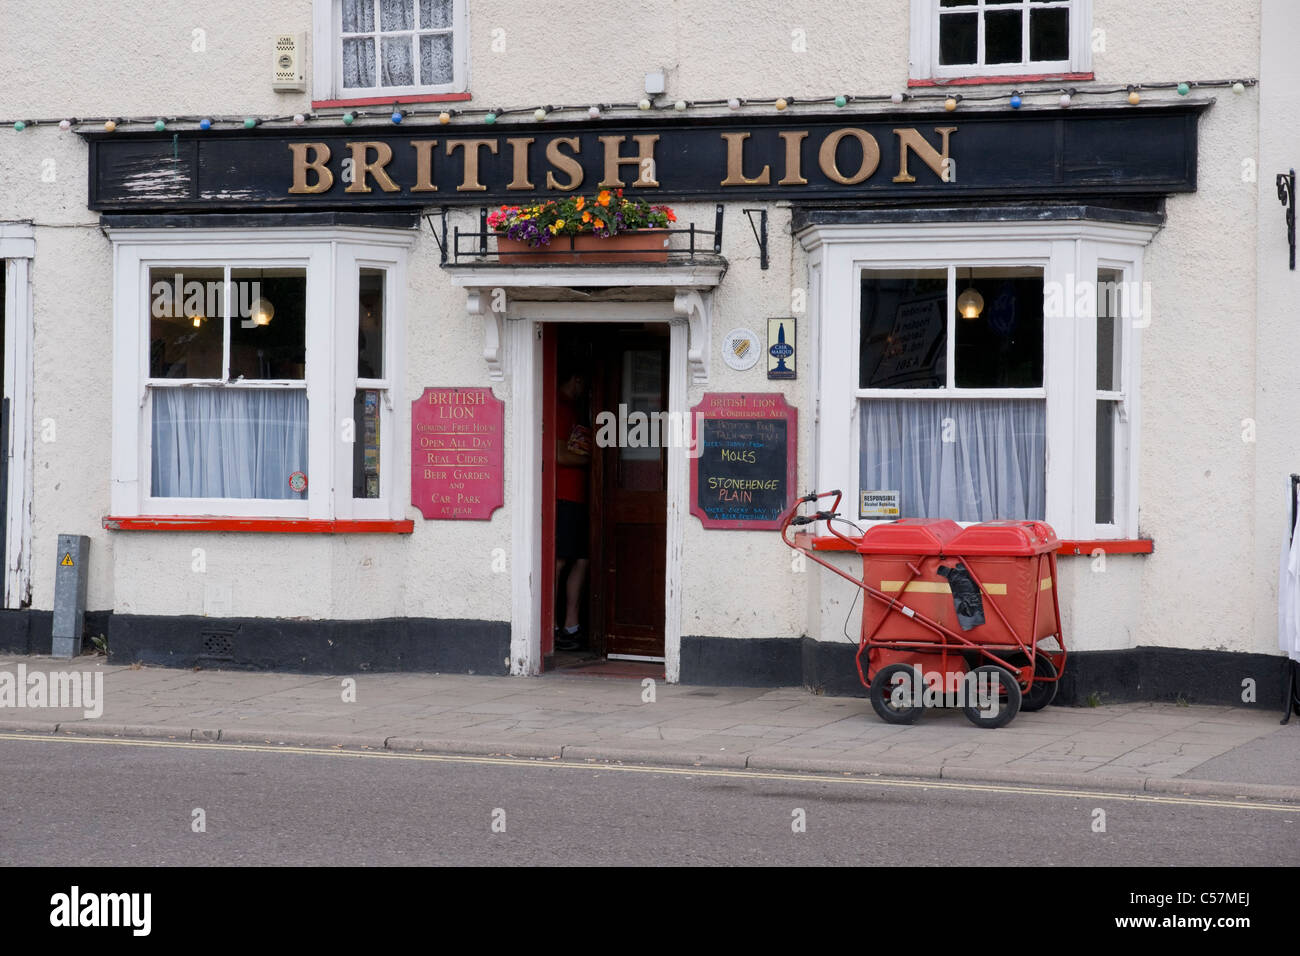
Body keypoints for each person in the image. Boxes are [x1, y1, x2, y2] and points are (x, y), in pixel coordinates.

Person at [555, 364, 591, 652]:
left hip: (578, 498)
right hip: (562, 496)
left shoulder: (573, 409)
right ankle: (550, 626)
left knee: (581, 559)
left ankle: (571, 626)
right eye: (584, 382)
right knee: (559, 562)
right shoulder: (558, 406)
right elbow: (559, 454)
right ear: (576, 378)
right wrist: (595, 460)